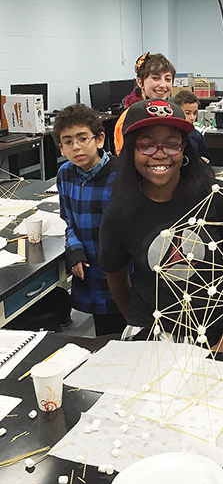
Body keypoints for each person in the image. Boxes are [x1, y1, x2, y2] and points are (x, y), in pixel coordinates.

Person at [99, 99, 223, 354]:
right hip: (151, 339)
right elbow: (116, 280)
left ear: (185, 149)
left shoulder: (215, 196)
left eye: (172, 144)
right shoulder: (119, 213)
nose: (160, 153)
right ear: (131, 151)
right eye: (147, 144)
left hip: (217, 335)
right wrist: (140, 324)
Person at [53, 104, 127, 336]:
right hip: (91, 271)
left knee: (134, 335)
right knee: (106, 337)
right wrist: (74, 249)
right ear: (61, 147)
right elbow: (67, 220)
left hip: (123, 272)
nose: (76, 147)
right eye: (67, 141)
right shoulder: (65, 174)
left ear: (99, 139)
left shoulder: (122, 176)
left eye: (82, 138)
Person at [114, 52, 176, 155]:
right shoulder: (128, 118)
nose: (163, 85)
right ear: (140, 82)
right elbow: (124, 157)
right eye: (155, 78)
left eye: (168, 79)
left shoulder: (174, 112)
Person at [172, 90, 210, 162]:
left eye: (195, 113)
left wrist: (204, 160)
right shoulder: (170, 135)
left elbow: (205, 156)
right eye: (187, 113)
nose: (192, 117)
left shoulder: (197, 136)